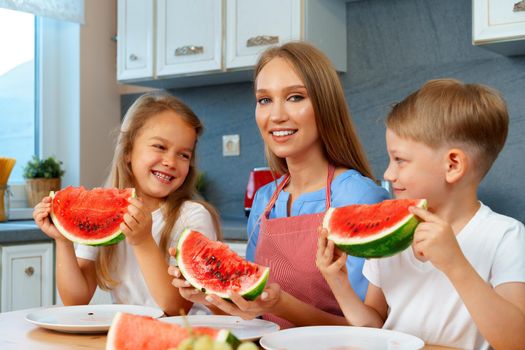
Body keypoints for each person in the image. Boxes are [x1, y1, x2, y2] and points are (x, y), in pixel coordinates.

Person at [169, 42, 389, 328]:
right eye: (264, 100)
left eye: (295, 97)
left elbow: (372, 329)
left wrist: (282, 304)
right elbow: (253, 314)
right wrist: (208, 295)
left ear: (325, 105)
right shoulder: (264, 200)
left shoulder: (358, 197)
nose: (276, 115)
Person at [316, 79, 525, 349]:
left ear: (453, 165)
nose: (388, 174)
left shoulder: (505, 237)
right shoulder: (390, 240)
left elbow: (517, 341)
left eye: (400, 160)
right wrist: (338, 282)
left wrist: (456, 265)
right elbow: (374, 327)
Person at [33, 92, 221, 316]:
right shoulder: (102, 212)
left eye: (183, 155)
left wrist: (142, 241)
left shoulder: (192, 217)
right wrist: (63, 240)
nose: (171, 161)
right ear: (128, 151)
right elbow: (76, 299)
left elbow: (176, 307)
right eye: (160, 147)